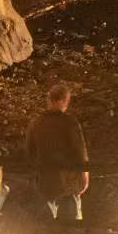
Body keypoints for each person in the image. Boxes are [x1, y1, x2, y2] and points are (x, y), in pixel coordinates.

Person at [25, 84, 89, 221]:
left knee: (46, 220)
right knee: (72, 218)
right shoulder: (69, 122)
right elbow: (79, 150)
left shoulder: (36, 122)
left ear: (49, 100)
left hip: (44, 179)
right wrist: (85, 174)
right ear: (63, 100)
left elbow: (29, 151)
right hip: (67, 181)